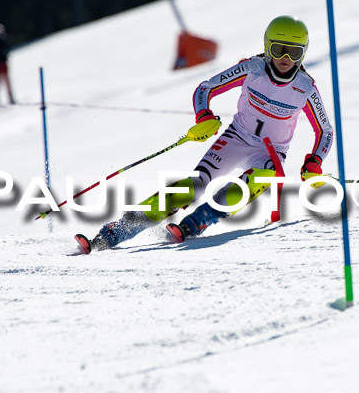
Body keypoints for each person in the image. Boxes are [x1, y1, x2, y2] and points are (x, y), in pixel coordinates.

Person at [75, 15, 334, 252]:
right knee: (195, 185)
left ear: (303, 54)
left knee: (262, 176)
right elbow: (206, 88)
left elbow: (325, 131)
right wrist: (204, 116)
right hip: (237, 138)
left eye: (294, 51)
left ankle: (197, 222)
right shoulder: (251, 69)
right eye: (279, 49)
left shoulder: (305, 88)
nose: (285, 58)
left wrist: (314, 161)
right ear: (267, 47)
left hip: (270, 153)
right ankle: (113, 233)